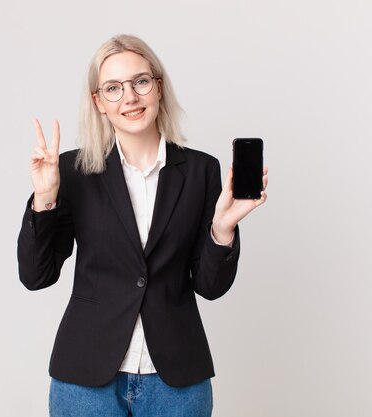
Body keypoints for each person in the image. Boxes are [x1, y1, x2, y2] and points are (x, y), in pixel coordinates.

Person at [18, 34, 268, 417]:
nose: (130, 98)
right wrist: (45, 198)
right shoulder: (73, 171)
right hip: (86, 381)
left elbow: (210, 287)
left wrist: (221, 230)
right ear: (98, 102)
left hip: (176, 382)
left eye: (140, 82)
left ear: (158, 87)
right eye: (113, 88)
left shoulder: (201, 171)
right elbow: (36, 276)